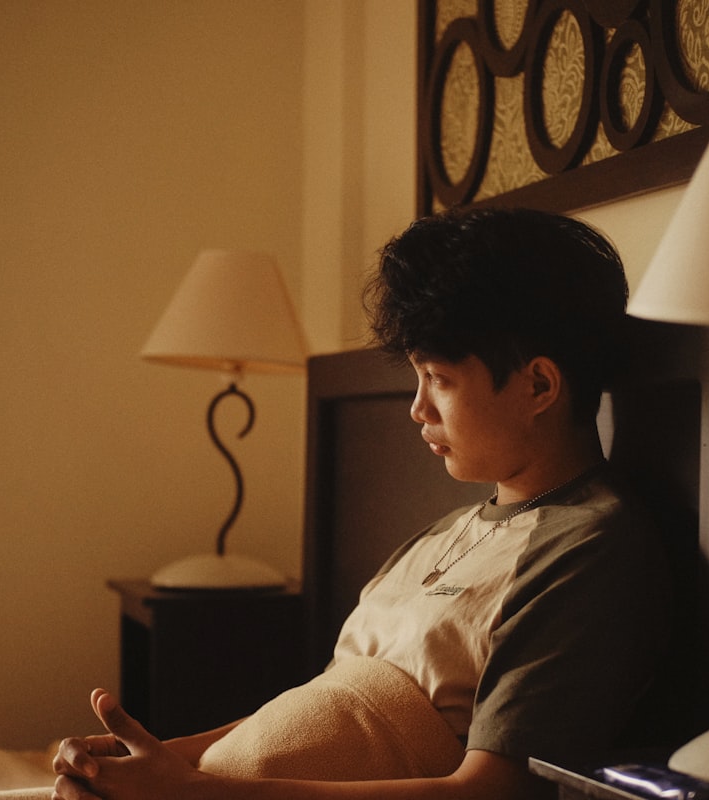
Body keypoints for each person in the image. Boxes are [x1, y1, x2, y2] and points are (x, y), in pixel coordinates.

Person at [51, 207, 671, 800]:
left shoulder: (589, 545)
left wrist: (202, 793)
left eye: (440, 379)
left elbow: (495, 791)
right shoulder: (441, 534)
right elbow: (314, 711)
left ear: (538, 384)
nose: (417, 407)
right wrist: (159, 760)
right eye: (417, 376)